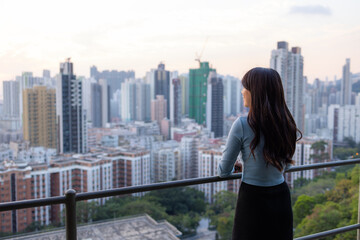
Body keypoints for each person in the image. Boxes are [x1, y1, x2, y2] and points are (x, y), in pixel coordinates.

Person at [218, 67, 302, 240]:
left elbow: (223, 171)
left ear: (255, 92)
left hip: (252, 200)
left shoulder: (241, 124)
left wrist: (245, 166)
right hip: (281, 198)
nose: (242, 92)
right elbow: (282, 166)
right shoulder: (287, 123)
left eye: (245, 87)